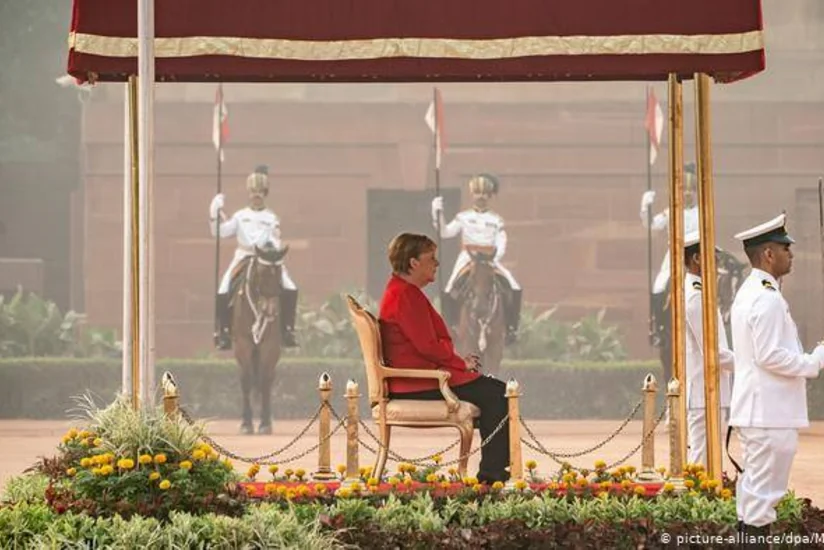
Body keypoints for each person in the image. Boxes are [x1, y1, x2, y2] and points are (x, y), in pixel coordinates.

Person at [378, 232, 510, 483]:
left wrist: (457, 361)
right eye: (431, 258)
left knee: (494, 391)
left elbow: (427, 344)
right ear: (414, 262)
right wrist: (461, 363)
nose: (437, 264)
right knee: (499, 394)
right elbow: (428, 346)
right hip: (419, 382)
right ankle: (492, 476)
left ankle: (494, 471)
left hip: (422, 376)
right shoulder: (405, 295)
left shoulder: (403, 291)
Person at [728, 213, 824, 539]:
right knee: (762, 498)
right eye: (785, 248)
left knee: (754, 496)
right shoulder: (765, 298)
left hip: (763, 413)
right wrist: (813, 361)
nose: (791, 254)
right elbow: (769, 355)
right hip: (769, 415)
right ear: (769, 254)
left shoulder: (754, 292)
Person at [209, 165, 299, 350]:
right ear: (249, 193)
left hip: (266, 259)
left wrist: (272, 249)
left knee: (290, 286)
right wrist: (214, 212)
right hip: (243, 256)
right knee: (223, 287)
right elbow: (219, 232)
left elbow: (275, 239)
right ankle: (223, 332)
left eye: (260, 191)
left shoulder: (271, 218)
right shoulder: (240, 216)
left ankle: (287, 330)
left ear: (265, 193)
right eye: (253, 191)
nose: (256, 195)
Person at [431, 173, 521, 344]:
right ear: (472, 194)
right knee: (451, 286)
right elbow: (445, 232)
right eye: (478, 193)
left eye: (485, 194)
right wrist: (438, 213)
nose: (481, 197)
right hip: (468, 257)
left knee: (514, 285)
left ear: (489, 196)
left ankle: (511, 328)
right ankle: (450, 326)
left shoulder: (496, 220)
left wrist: (495, 256)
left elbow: (502, 241)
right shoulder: (463, 217)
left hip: (489, 258)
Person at [682, 231, 735, 467]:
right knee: (702, 462)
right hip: (706, 391)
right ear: (696, 259)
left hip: (710, 390)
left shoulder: (700, 293)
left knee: (709, 461)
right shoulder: (696, 297)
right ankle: (693, 504)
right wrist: (752, 362)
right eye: (713, 258)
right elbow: (714, 353)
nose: (717, 265)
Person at [641, 162, 700, 357]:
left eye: (691, 190)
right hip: (674, 257)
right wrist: (646, 205)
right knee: (659, 286)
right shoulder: (672, 211)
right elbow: (651, 224)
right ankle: (659, 329)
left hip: (698, 256)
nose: (688, 194)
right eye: (685, 190)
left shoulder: (703, 212)